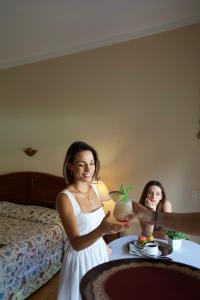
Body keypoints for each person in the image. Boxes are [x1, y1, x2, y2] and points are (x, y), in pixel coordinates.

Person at [56, 141, 130, 300]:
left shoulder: (95, 189)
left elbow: (100, 225)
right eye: (82, 164)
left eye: (91, 163)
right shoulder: (65, 198)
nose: (89, 169)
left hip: (99, 254)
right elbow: (76, 243)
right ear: (70, 166)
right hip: (79, 260)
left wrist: (113, 228)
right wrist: (102, 229)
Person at [131, 201, 200, 236]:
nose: (153, 196)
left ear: (161, 196)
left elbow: (166, 235)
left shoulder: (166, 204)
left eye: (157, 194)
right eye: (150, 193)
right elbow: (148, 234)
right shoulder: (142, 209)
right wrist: (151, 213)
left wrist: (152, 215)